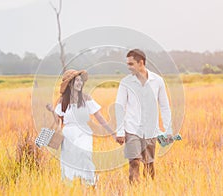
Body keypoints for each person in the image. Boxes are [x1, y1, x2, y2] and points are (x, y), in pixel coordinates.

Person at [115, 49, 173, 183]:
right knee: (134, 161)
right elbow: (119, 107)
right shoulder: (126, 82)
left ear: (141, 63)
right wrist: (120, 131)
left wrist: (168, 130)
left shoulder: (157, 81)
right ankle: (134, 190)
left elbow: (164, 106)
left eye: (131, 64)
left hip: (151, 130)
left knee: (149, 163)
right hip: (132, 129)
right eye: (128, 64)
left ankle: (149, 188)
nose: (128, 67)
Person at [50, 69, 114, 186]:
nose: (80, 83)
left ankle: (90, 183)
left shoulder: (86, 98)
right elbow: (59, 121)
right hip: (68, 134)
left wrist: (112, 133)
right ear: (70, 84)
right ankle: (71, 186)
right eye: (77, 81)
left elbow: (99, 117)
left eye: (80, 81)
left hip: (84, 132)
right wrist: (52, 112)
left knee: (84, 153)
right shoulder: (62, 101)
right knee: (69, 161)